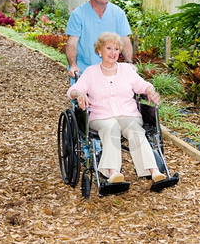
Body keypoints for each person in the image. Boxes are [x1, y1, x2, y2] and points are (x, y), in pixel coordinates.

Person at [67, 32, 166, 185]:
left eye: (116, 49)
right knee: (111, 127)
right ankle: (113, 172)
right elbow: (73, 91)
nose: (113, 53)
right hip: (101, 117)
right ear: (99, 51)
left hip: (128, 114)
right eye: (108, 48)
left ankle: (154, 171)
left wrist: (151, 91)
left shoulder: (127, 70)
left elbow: (143, 85)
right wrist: (79, 94)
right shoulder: (91, 72)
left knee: (135, 130)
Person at [65, 0, 133, 82]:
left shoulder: (118, 13)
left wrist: (129, 63)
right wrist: (73, 65)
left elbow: (125, 40)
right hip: (84, 73)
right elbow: (72, 43)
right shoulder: (78, 14)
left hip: (110, 73)